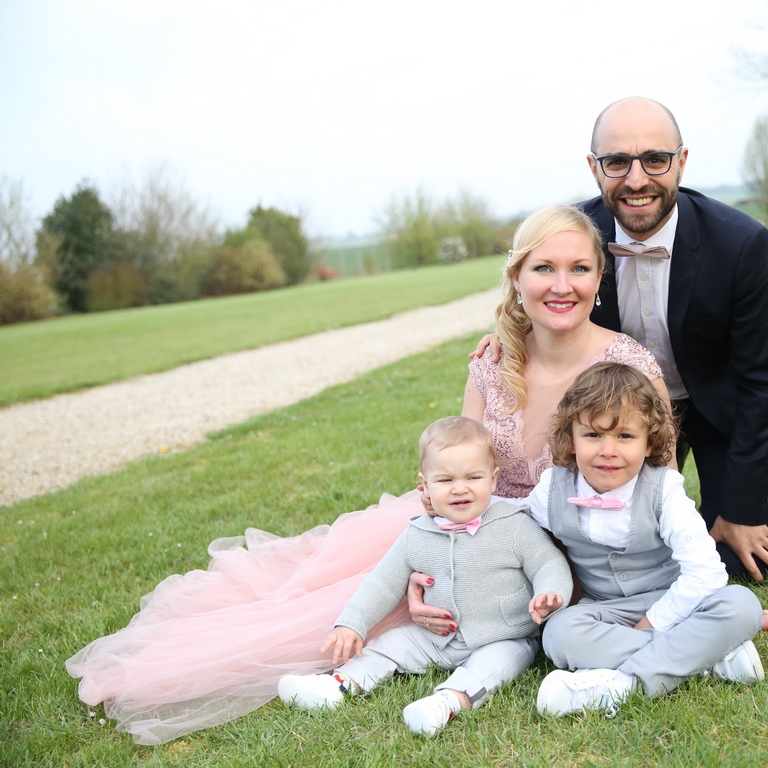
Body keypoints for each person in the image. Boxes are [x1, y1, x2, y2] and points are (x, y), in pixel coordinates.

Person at [66, 204, 669, 745]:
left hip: (581, 550)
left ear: (599, 279)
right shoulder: (492, 363)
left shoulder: (628, 366)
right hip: (469, 523)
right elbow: (461, 467)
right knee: (332, 608)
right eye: (543, 268)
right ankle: (307, 672)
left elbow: (658, 492)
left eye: (579, 269)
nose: (561, 285)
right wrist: (426, 576)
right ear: (516, 278)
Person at [580, 96, 768, 583]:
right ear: (594, 168)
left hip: (719, 407)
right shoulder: (572, 237)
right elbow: (534, 304)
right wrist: (504, 337)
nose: (636, 180)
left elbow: (763, 378)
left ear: (681, 162)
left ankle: (760, 483)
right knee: (617, 556)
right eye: (617, 162)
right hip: (624, 415)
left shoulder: (739, 243)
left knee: (732, 562)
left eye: (655, 160)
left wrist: (741, 508)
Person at [526, 362, 768, 717]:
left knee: (741, 604)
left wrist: (652, 624)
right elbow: (515, 526)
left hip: (673, 599)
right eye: (592, 435)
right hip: (606, 610)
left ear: (650, 442)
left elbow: (706, 574)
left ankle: (621, 687)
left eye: (625, 436)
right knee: (558, 634)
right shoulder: (551, 489)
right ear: (571, 439)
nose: (608, 450)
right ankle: (709, 658)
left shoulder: (664, 489)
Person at [277, 416, 572, 736]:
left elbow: (548, 563)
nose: (460, 488)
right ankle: (338, 685)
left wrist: (550, 592)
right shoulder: (417, 534)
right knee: (389, 644)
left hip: (504, 634)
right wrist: (352, 623)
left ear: (493, 479)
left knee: (493, 666)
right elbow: (383, 582)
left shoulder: (514, 525)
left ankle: (446, 703)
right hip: (435, 638)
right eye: (445, 480)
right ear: (425, 486)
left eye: (473, 477)